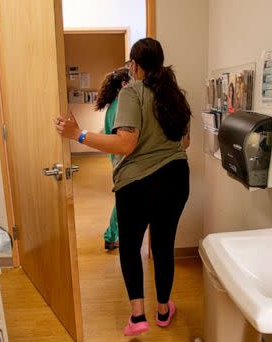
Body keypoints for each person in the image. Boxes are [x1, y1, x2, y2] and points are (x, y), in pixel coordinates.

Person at [56, 37, 191, 336]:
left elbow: (125, 144)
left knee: (130, 247)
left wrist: (78, 134)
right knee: (163, 246)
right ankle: (164, 311)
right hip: (176, 178)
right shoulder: (176, 96)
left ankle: (138, 317)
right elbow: (185, 142)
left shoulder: (133, 92)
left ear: (134, 65)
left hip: (138, 184)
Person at [94, 67, 131, 250]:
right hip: (123, 160)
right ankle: (110, 236)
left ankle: (111, 235)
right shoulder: (120, 107)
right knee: (123, 201)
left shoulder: (113, 106)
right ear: (124, 84)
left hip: (117, 159)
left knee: (122, 200)